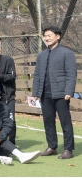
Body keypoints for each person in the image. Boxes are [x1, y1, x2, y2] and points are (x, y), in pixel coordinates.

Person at [31, 26, 77, 159]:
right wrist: (36, 92)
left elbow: (71, 74)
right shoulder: (42, 55)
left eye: (49, 35)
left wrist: (69, 91)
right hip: (45, 94)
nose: (47, 38)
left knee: (65, 121)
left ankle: (68, 149)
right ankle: (52, 147)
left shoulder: (66, 53)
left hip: (61, 94)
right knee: (48, 121)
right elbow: (38, 74)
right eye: (45, 36)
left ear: (58, 36)